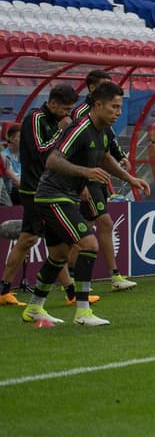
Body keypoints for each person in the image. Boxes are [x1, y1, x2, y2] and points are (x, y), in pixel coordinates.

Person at [22, 82, 149, 326]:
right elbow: (52, 161)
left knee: (59, 254)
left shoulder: (101, 130)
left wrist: (130, 179)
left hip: (64, 196)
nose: (118, 112)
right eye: (114, 106)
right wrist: (86, 172)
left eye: (120, 107)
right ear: (98, 105)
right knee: (89, 243)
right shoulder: (80, 128)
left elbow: (104, 158)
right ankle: (83, 312)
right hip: (53, 196)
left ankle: (34, 308)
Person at [0, 84, 78, 307]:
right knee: (32, 239)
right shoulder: (35, 119)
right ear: (52, 103)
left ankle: (70, 293)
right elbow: (40, 151)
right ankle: (70, 293)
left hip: (48, 189)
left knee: (45, 240)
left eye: (70, 109)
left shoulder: (54, 120)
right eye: (64, 108)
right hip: (34, 189)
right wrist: (63, 132)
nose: (67, 113)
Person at [71, 70, 136, 292]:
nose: (117, 110)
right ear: (92, 91)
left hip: (96, 176)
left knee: (88, 228)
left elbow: (106, 144)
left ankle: (73, 276)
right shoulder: (81, 115)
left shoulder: (104, 118)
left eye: (119, 107)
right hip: (82, 179)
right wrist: (81, 183)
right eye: (104, 86)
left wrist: (121, 158)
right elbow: (62, 156)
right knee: (99, 225)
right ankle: (106, 276)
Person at [1, 124, 19, 207]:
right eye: (20, 137)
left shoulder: (27, 155)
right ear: (11, 139)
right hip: (14, 191)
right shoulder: (4, 157)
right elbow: (16, 182)